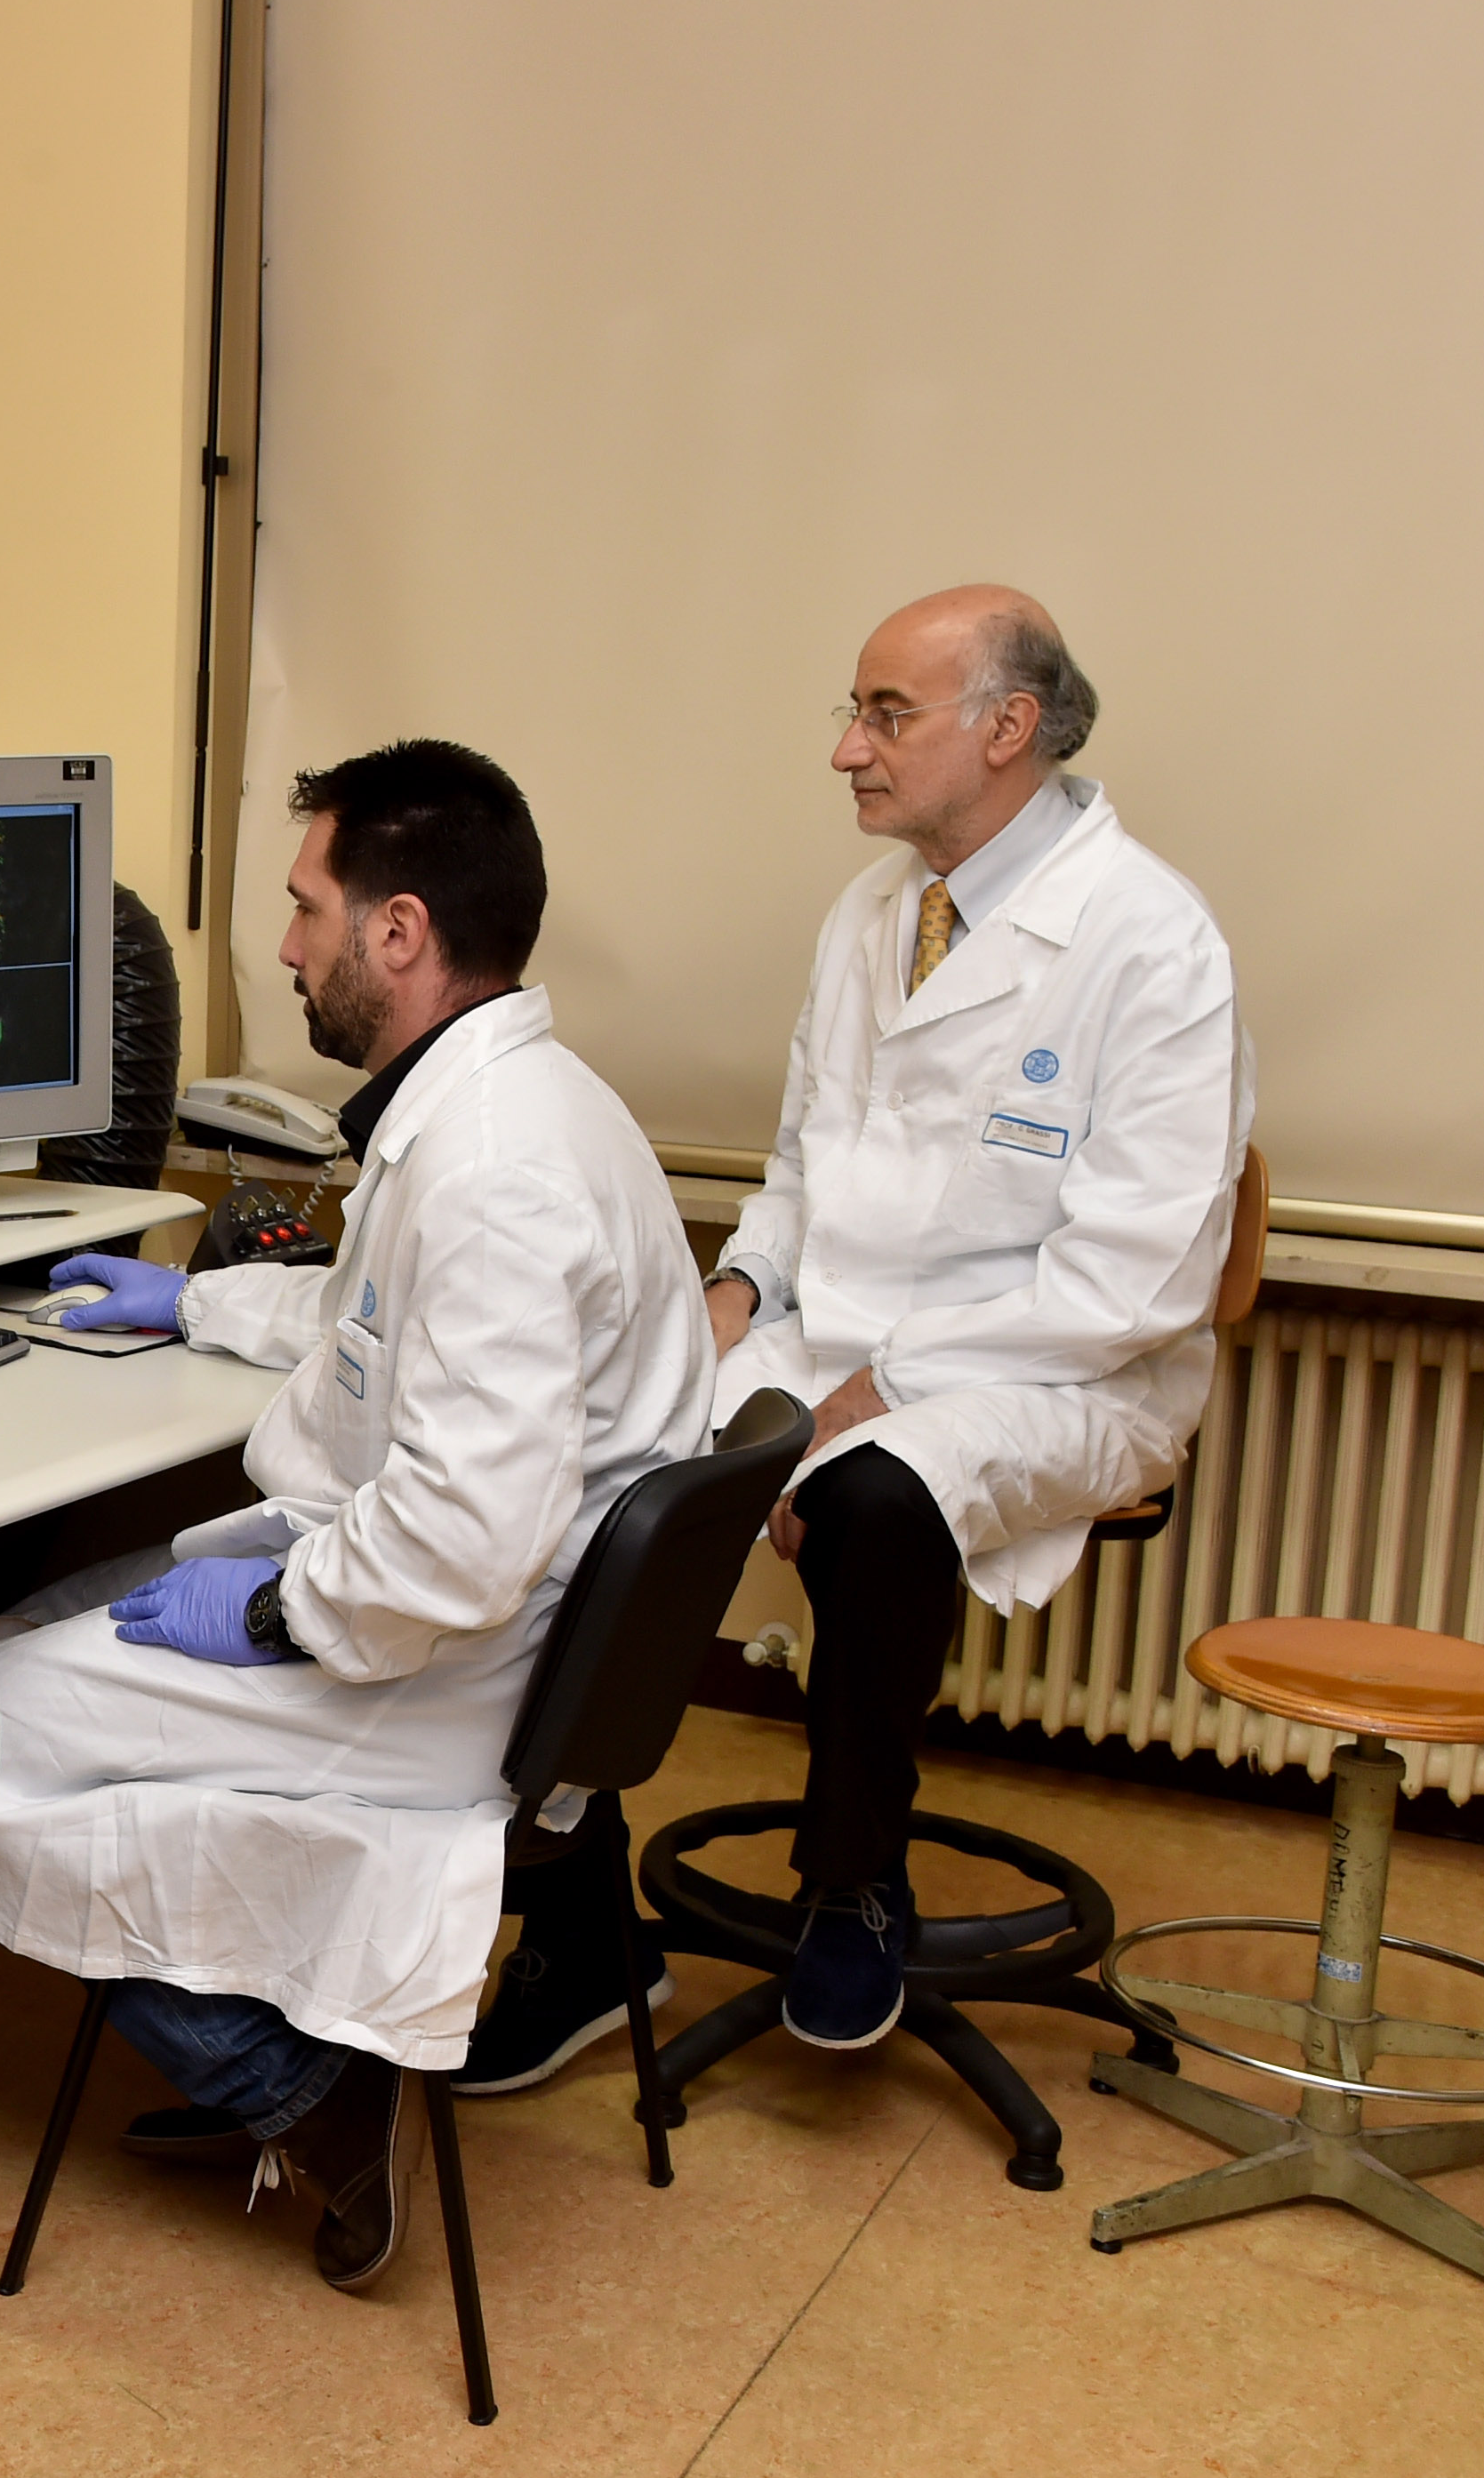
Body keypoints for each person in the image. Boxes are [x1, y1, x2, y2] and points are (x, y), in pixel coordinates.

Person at [0, 739, 708, 2284]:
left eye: (304, 910)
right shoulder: (519, 1107)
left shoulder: (494, 1171)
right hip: (465, 1629)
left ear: (398, 932)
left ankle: (301, 2084)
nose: (285, 950)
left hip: (437, 1661)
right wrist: (199, 1300)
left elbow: (463, 1535)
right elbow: (381, 1329)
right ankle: (287, 2019)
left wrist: (278, 1611)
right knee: (22, 1630)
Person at [488, 585, 1248, 2071]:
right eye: (853, 711)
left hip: (1061, 1365)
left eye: (886, 714)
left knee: (876, 1494)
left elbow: (1138, 1280)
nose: (848, 748)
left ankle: (854, 1884)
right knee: (574, 1453)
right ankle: (581, 1932)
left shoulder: (1152, 943)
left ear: (1008, 727)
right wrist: (735, 1297)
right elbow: (803, 1166)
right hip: (832, 1325)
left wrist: (882, 1386)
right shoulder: (872, 916)